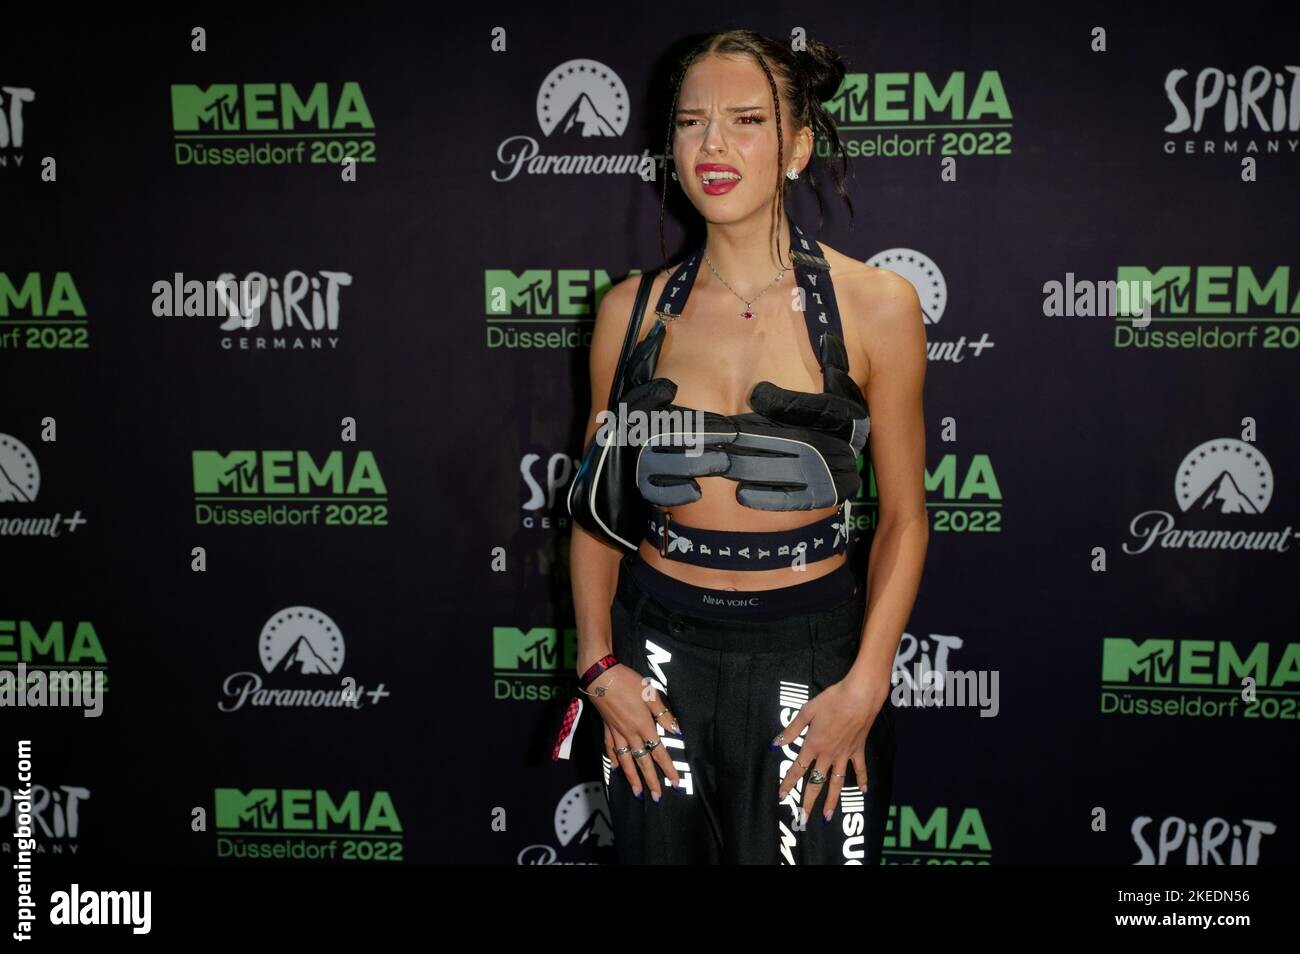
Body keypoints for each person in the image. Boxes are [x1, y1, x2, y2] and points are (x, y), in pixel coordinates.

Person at [568, 29, 929, 864]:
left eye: (745, 120)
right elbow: (596, 513)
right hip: (657, 654)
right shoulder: (630, 312)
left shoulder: (878, 305)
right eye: (691, 122)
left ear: (797, 148)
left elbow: (906, 519)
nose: (713, 145)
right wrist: (598, 665)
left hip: (811, 657)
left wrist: (865, 685)